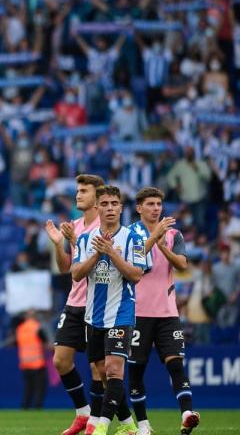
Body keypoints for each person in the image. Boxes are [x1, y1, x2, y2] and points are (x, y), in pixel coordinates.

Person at [71, 185, 147, 435]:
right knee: (103, 373)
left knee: (115, 370)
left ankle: (101, 427)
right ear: (97, 208)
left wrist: (112, 253)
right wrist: (96, 254)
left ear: (121, 208)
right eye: (105, 204)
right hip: (93, 315)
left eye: (114, 203)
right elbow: (76, 274)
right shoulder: (85, 239)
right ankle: (129, 426)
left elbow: (136, 275)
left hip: (122, 314)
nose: (110, 208)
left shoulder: (134, 238)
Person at [128, 188, 201, 435]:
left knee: (176, 365)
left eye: (159, 204)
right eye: (150, 204)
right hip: (137, 313)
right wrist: (153, 238)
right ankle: (144, 425)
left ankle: (187, 414)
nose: (156, 208)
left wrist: (163, 245)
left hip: (167, 313)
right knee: (136, 370)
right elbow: (135, 265)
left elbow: (181, 264)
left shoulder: (173, 234)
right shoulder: (129, 234)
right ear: (139, 208)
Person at [46, 174, 105, 435]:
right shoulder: (75, 225)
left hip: (99, 304)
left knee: (97, 367)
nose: (78, 195)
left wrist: (71, 242)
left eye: (84, 191)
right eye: (77, 191)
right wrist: (60, 244)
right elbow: (65, 268)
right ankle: (83, 413)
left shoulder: (105, 228)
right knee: (60, 361)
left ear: (97, 197)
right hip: (74, 301)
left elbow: (90, 268)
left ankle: (97, 422)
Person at [16, 311, 48, 409]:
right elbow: (45, 342)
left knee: (28, 388)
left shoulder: (20, 329)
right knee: (40, 388)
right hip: (37, 363)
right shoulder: (37, 327)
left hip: (25, 363)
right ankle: (38, 407)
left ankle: (25, 407)